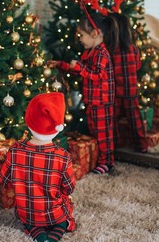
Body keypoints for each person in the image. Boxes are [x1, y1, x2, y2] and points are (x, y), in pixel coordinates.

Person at [0, 92, 76, 242]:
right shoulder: (62, 156)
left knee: (27, 217)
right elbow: (69, 187)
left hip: (28, 211)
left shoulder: (15, 151)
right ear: (57, 128)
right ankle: (59, 227)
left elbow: (4, 180)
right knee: (65, 210)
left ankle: (34, 228)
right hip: (54, 212)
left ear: (28, 121)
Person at [47, 13, 118, 174]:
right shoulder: (91, 52)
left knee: (103, 134)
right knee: (94, 131)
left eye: (82, 35)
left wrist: (79, 67)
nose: (80, 39)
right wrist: (60, 64)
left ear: (94, 34)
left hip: (102, 101)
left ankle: (107, 162)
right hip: (92, 101)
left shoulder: (102, 53)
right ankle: (99, 159)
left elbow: (96, 75)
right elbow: (80, 70)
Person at [110, 13, 148, 153]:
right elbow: (137, 66)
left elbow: (110, 72)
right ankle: (142, 144)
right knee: (135, 119)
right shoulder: (134, 49)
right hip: (131, 91)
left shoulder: (112, 51)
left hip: (116, 92)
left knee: (113, 118)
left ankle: (116, 143)